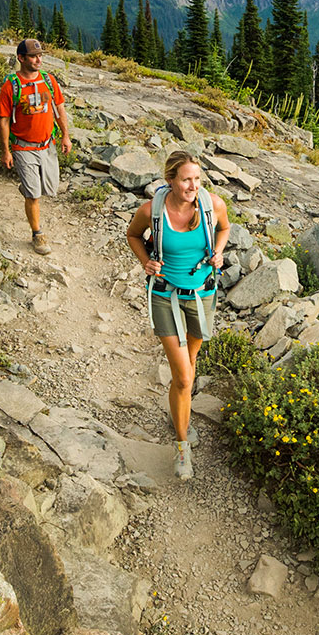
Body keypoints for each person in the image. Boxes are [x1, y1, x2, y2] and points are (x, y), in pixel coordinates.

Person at [125, 150, 230, 481]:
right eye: (186, 179)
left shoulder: (212, 205)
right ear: (170, 180)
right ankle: (182, 447)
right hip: (164, 296)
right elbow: (132, 235)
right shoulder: (151, 211)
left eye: (197, 179)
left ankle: (178, 413)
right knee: (184, 376)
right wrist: (146, 261)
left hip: (202, 295)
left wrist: (219, 252)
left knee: (190, 366)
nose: (193, 185)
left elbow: (224, 229)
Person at [0, 38, 71, 256]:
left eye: (40, 55)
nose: (39, 59)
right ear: (21, 58)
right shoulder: (11, 86)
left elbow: (59, 108)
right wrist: (5, 151)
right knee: (34, 195)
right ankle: (37, 234)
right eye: (33, 56)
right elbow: (3, 121)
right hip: (23, 147)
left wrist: (65, 136)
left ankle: (29, 187)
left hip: (47, 145)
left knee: (50, 188)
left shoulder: (48, 80)